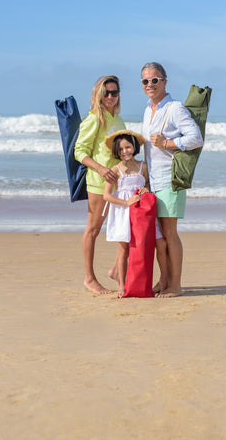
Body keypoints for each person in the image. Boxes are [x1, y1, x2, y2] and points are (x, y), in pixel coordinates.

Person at [141, 62, 203, 297]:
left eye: (154, 80)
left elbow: (196, 138)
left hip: (170, 178)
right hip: (153, 181)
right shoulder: (148, 109)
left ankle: (175, 284)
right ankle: (163, 281)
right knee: (158, 236)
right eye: (145, 81)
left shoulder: (175, 108)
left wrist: (167, 143)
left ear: (164, 81)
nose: (150, 85)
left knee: (169, 232)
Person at [74, 75, 126, 294]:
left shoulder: (118, 119)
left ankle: (116, 270)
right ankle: (89, 278)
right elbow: (79, 151)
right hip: (98, 184)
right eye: (107, 93)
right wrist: (101, 169)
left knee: (124, 230)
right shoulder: (95, 118)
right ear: (99, 95)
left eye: (115, 92)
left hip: (120, 184)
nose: (111, 97)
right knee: (93, 230)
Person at [103, 130, 167, 297]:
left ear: (134, 147)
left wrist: (147, 189)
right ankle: (122, 286)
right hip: (124, 211)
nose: (125, 151)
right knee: (124, 247)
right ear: (116, 151)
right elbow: (106, 195)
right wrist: (126, 203)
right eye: (121, 149)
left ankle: (164, 280)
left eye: (128, 147)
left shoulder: (143, 166)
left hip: (143, 213)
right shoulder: (116, 170)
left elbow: (149, 186)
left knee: (159, 242)